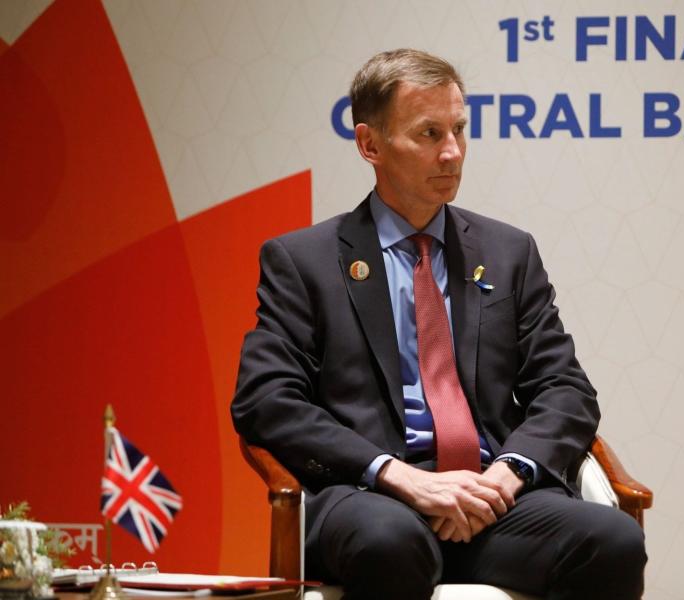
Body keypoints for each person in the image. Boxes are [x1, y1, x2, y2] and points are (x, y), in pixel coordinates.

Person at [232, 48, 646, 600]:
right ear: (369, 145)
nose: (452, 152)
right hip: (374, 499)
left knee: (612, 540)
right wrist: (397, 475)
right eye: (428, 133)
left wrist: (506, 475)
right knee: (390, 544)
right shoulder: (303, 261)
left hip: (492, 497)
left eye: (458, 130)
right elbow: (265, 400)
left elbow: (565, 389)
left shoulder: (507, 252)